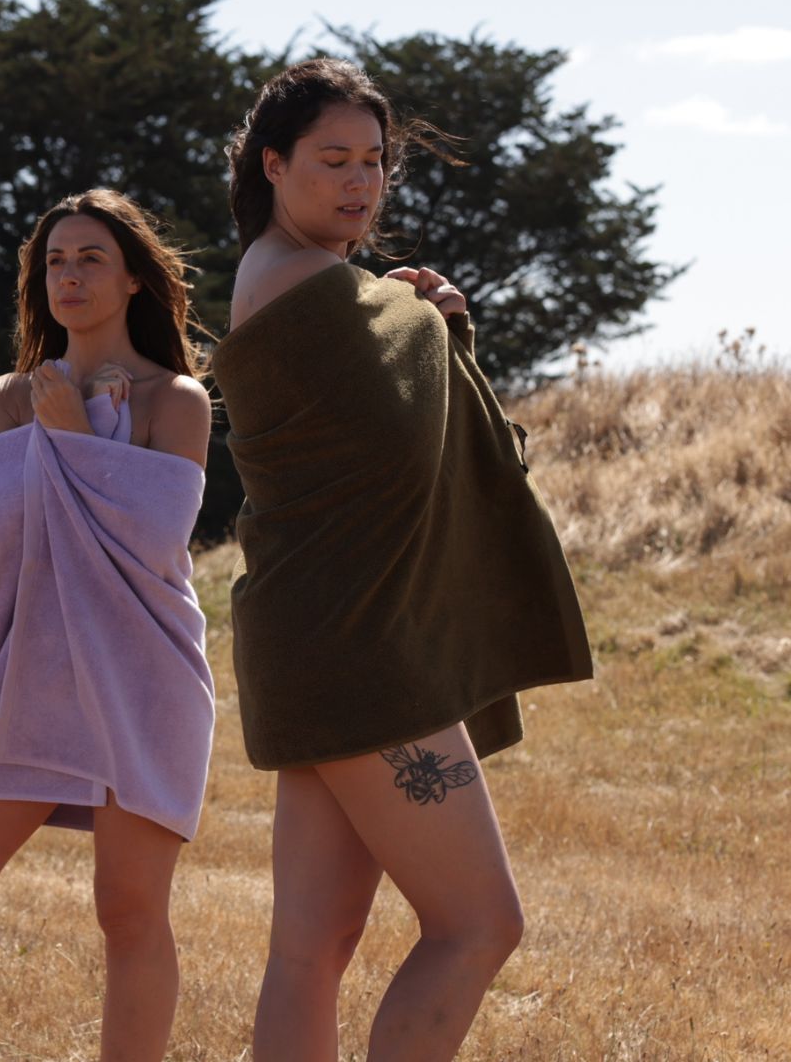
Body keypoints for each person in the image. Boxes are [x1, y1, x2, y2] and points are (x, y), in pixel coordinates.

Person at [212, 59, 593, 1062]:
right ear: (274, 164)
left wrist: (418, 319)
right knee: (480, 925)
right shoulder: (306, 284)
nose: (359, 183)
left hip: (312, 644)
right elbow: (400, 433)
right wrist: (431, 322)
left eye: (375, 162)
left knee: (311, 948)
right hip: (361, 654)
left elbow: (388, 420)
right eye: (332, 160)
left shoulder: (304, 281)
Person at [0, 188, 215, 1062]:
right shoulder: (3, 401)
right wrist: (67, 427)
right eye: (55, 262)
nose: (70, 276)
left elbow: (148, 547)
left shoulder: (175, 403)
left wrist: (78, 435)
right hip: (29, 673)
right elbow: (4, 542)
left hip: (141, 676)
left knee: (128, 909)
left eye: (91, 260)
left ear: (132, 284)